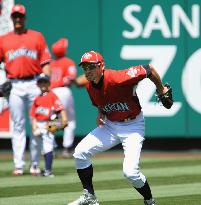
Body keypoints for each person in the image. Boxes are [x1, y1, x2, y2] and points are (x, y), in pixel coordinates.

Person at [68, 51, 173, 205]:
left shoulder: (118, 77)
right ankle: (90, 196)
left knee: (130, 172)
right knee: (80, 153)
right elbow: (101, 103)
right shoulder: (89, 86)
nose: (88, 71)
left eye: (91, 67)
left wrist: (161, 89)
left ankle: (150, 201)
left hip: (132, 126)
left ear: (101, 66)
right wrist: (101, 113)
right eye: (85, 68)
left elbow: (149, 69)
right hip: (110, 126)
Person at [0, 4, 51, 176]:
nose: (17, 19)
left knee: (36, 125)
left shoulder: (36, 36)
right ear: (12, 18)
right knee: (18, 125)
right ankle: (19, 165)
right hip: (14, 85)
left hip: (34, 83)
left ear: (25, 18)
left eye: (20, 16)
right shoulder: (4, 39)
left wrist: (47, 84)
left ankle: (35, 164)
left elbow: (46, 63)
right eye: (15, 16)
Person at [30, 73, 68, 177]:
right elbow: (33, 115)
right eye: (40, 82)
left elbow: (61, 109)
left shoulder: (52, 95)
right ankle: (34, 167)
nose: (43, 84)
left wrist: (63, 120)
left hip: (48, 124)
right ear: (37, 84)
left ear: (48, 83)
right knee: (35, 147)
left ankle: (48, 170)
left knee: (48, 147)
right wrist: (34, 128)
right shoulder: (37, 98)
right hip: (38, 124)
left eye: (45, 81)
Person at [50, 38, 77, 158]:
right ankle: (67, 148)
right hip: (64, 90)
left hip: (52, 92)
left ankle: (49, 147)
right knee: (69, 120)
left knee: (53, 119)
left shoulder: (50, 63)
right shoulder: (68, 61)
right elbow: (71, 78)